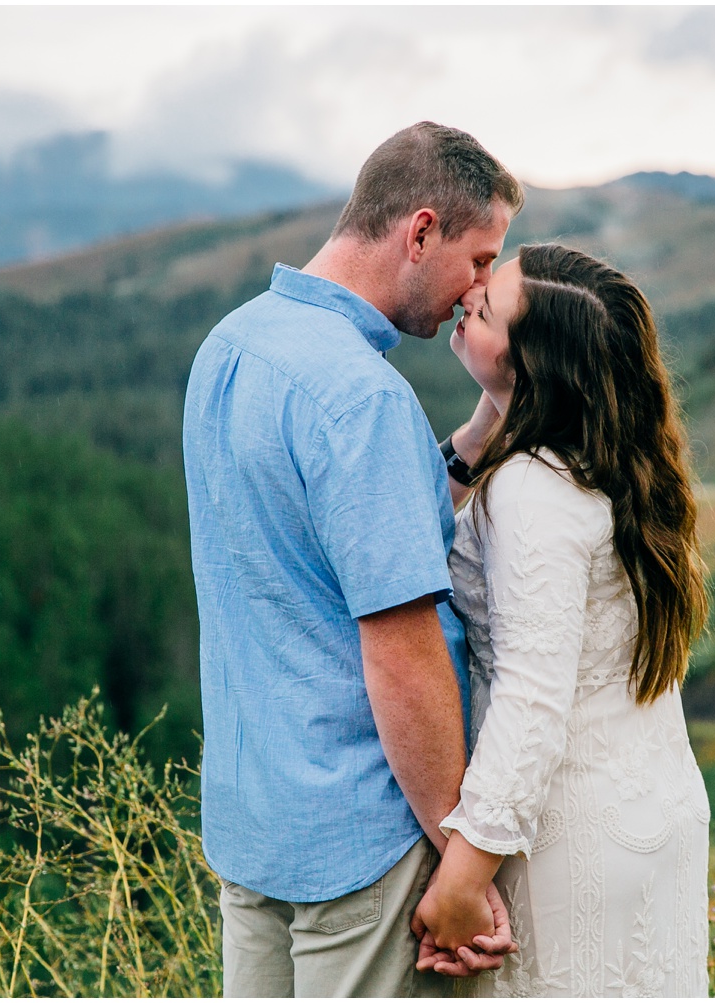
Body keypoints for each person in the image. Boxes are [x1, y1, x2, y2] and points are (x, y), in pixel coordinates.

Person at [182, 122, 524, 997]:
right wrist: (461, 859)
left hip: (253, 823)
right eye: (479, 257)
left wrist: (484, 429)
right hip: (359, 842)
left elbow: (350, 530)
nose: (478, 287)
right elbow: (402, 651)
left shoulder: (233, 344)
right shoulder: (362, 399)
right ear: (419, 233)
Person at [413, 244, 713, 996]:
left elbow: (531, 697)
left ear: (532, 368)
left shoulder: (530, 488)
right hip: (658, 808)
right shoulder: (618, 460)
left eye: (485, 308)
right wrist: (496, 409)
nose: (467, 295)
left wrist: (463, 871)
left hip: (572, 838)